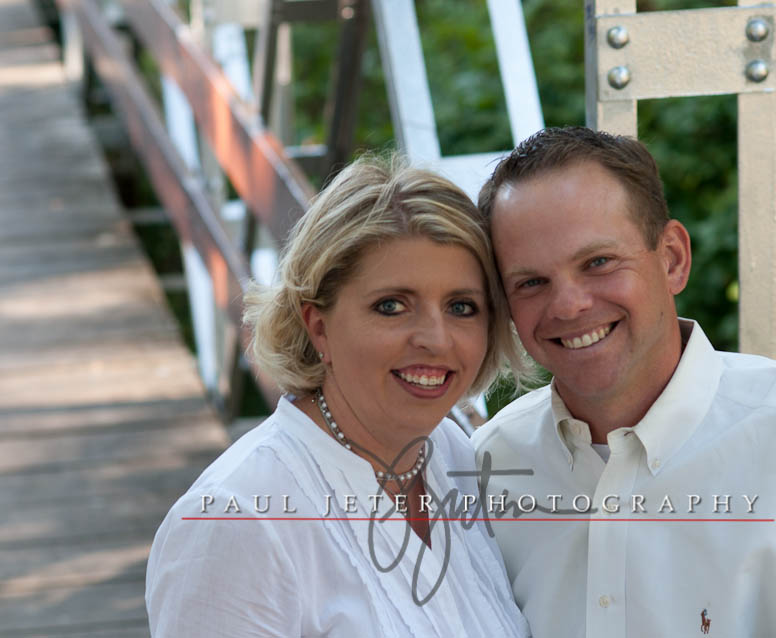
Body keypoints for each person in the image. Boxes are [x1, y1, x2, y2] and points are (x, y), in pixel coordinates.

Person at [472, 127, 776, 637]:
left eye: (598, 262)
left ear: (672, 260)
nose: (569, 305)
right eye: (531, 282)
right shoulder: (488, 465)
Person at [145, 155, 530, 637]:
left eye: (461, 307)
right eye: (391, 306)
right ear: (319, 326)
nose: (436, 338)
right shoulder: (235, 520)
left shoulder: (452, 453)